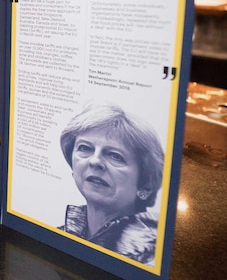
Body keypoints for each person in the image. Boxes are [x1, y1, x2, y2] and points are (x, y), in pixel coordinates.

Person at [58, 103, 164, 265]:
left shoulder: (152, 257)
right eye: (85, 148)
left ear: (145, 186)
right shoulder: (58, 234)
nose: (94, 161)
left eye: (115, 156)